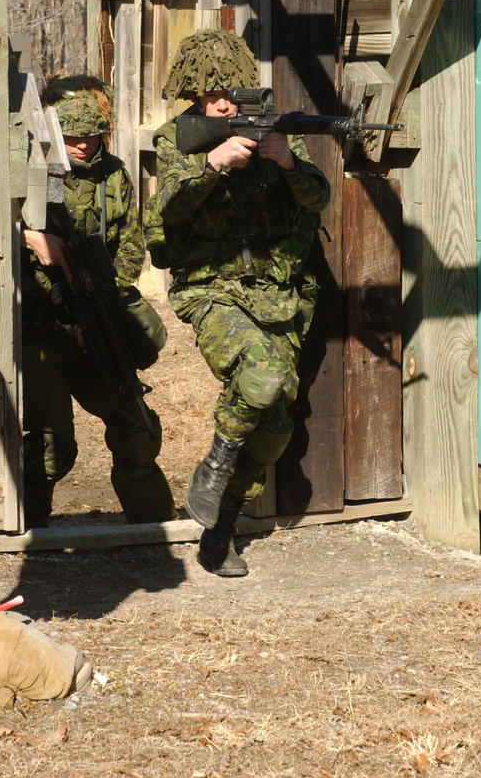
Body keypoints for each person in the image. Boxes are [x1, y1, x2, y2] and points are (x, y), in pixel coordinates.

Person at [154, 29, 330, 577]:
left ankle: (220, 529)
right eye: (211, 97)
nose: (224, 105)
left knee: (274, 430)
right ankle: (212, 469)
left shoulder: (276, 130)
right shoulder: (176, 138)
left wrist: (289, 163)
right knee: (260, 376)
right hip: (212, 289)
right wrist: (212, 165)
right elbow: (169, 210)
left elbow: (318, 199)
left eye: (229, 93)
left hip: (278, 295)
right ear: (194, 95)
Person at [21, 74, 176, 528]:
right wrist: (29, 238)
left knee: (137, 429)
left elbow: (130, 243)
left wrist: (101, 298)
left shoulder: (113, 175)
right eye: (72, 136)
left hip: (94, 319)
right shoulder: (26, 170)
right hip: (38, 332)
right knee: (52, 449)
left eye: (91, 135)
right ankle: (25, 533)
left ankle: (153, 528)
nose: (83, 145)